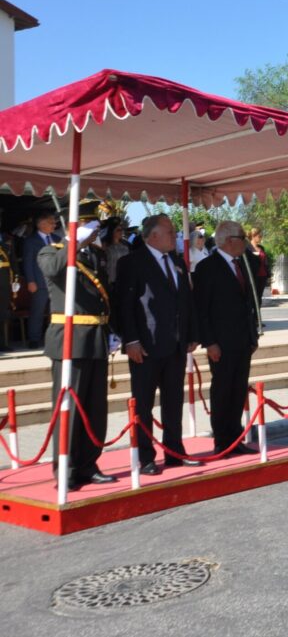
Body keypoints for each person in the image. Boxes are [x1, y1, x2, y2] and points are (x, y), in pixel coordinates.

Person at [114, 214, 201, 473]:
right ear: (153, 236)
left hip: (175, 344)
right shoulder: (132, 262)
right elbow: (124, 305)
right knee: (143, 403)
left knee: (173, 402)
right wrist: (130, 340)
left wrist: (192, 333)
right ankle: (146, 457)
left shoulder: (176, 262)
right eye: (170, 232)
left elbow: (186, 300)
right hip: (146, 345)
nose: (175, 236)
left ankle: (174, 451)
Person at [39, 200, 116, 488]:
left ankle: (88, 464)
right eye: (90, 227)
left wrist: (113, 330)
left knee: (95, 408)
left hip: (95, 339)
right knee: (69, 408)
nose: (95, 233)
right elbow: (53, 270)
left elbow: (105, 295)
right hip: (69, 342)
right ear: (76, 227)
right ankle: (65, 469)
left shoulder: (95, 256)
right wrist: (74, 242)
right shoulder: (52, 251)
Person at [195, 221, 261, 457]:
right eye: (241, 237)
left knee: (238, 389)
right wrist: (209, 341)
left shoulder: (243, 263)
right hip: (221, 342)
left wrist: (253, 335)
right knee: (222, 389)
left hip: (243, 339)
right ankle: (222, 439)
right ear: (228, 240)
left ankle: (236, 437)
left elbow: (250, 302)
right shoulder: (207, 267)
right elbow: (202, 309)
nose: (244, 241)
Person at [22, 210, 59, 349]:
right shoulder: (31, 241)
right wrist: (31, 281)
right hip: (39, 282)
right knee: (37, 312)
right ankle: (34, 338)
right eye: (51, 222)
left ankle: (53, 339)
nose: (54, 225)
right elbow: (28, 262)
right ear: (41, 224)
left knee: (56, 312)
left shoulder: (57, 238)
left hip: (56, 283)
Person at [247, 228, 271, 296]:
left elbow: (265, 262)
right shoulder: (247, 248)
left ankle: (258, 307)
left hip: (263, 276)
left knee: (259, 296)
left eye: (261, 236)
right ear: (253, 236)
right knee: (253, 296)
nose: (261, 238)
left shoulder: (261, 248)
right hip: (253, 276)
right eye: (259, 236)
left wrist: (268, 274)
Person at [0, 228, 13, 352]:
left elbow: (12, 262)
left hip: (4, 283)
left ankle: (2, 343)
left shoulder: (6, 239)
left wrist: (16, 278)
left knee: (3, 314)